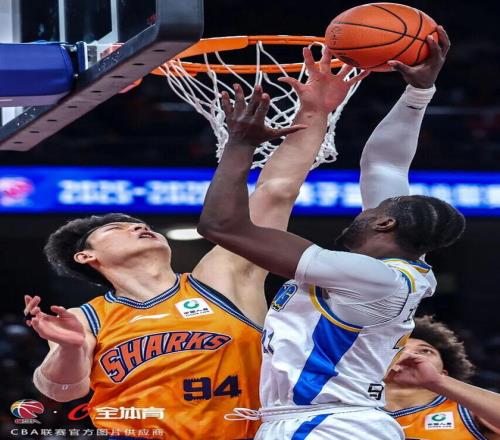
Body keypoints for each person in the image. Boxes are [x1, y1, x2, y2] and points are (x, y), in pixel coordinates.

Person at [23, 48, 368, 440]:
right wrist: (70, 348)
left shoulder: (221, 280)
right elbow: (61, 391)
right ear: (86, 256)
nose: (138, 228)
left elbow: (275, 192)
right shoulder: (87, 318)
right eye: (118, 228)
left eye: (141, 224)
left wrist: (315, 111)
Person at [198, 26, 465, 440]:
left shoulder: (373, 278)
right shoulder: (399, 268)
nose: (367, 206)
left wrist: (240, 144)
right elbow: (384, 165)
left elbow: (221, 225)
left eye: (375, 208)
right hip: (324, 420)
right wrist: (418, 92)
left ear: (385, 224)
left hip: (330, 423)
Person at [385, 315, 500, 440]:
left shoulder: (470, 410)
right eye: (399, 350)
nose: (411, 354)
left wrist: (438, 382)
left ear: (444, 373)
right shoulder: (367, 411)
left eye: (425, 351)